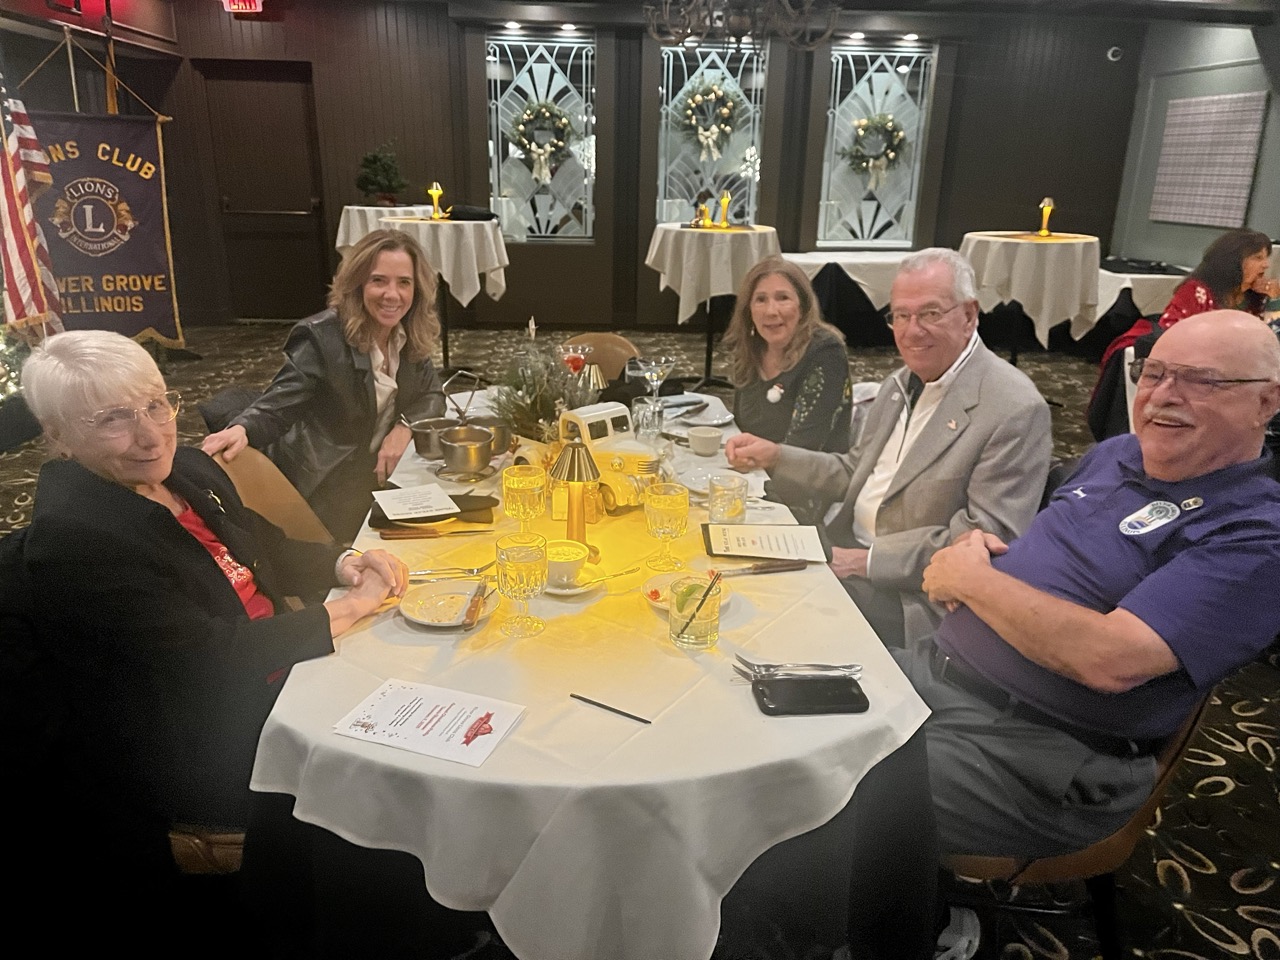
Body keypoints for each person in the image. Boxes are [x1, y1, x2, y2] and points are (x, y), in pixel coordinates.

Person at [845, 310, 1280, 960]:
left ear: (1265, 402)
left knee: (826, 788)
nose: (1163, 395)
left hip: (1048, 759)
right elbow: (1037, 549)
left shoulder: (1254, 536)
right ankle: (905, 904)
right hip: (944, 679)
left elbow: (1110, 658)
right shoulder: (1116, 455)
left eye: (1202, 381)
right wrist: (979, 552)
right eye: (1154, 373)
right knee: (796, 690)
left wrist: (972, 582)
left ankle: (901, 935)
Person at [16, 330, 408, 880]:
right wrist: (353, 607)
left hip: (282, 668)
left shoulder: (185, 470)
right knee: (407, 759)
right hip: (215, 732)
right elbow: (212, 655)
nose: (151, 436)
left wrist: (342, 563)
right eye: (112, 419)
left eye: (155, 405)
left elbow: (264, 545)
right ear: (58, 437)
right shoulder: (78, 540)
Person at [725, 248, 1052, 648]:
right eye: (901, 315)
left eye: (930, 313)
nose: (912, 331)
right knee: (726, 562)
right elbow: (852, 473)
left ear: (969, 315)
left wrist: (868, 561)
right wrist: (776, 455)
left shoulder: (1014, 409)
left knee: (762, 620)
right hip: (839, 545)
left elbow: (983, 540)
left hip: (908, 595)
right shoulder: (900, 383)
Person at [202, 228, 447, 541]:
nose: (392, 294)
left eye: (404, 282)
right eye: (378, 280)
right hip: (330, 483)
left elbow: (433, 395)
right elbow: (280, 402)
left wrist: (403, 428)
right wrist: (243, 428)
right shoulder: (322, 336)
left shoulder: (409, 332)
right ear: (358, 283)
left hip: (378, 475)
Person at [722, 257, 852, 452]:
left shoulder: (826, 353)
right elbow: (741, 431)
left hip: (809, 477)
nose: (771, 311)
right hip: (755, 471)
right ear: (748, 310)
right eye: (761, 300)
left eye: (783, 298)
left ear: (803, 306)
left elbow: (805, 448)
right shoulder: (752, 349)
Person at [1099, 229, 1276, 369]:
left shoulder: (1255, 297)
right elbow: (1172, 336)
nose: (1266, 264)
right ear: (1233, 262)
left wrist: (1274, 298)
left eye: (1266, 258)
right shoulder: (1196, 291)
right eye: (1257, 258)